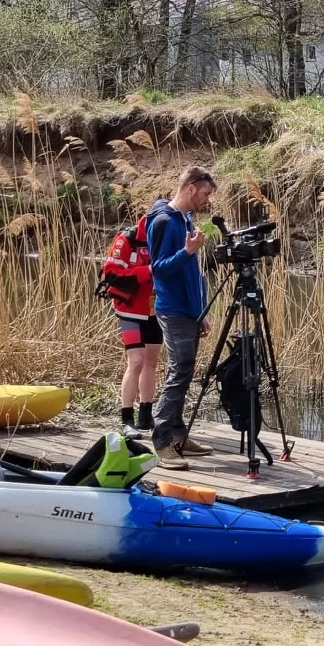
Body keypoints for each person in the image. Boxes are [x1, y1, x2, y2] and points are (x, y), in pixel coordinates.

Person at [147, 166, 218, 470]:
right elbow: (158, 269)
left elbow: (194, 273)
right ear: (190, 188)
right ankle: (162, 443)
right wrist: (187, 252)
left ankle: (178, 435)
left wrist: (201, 311)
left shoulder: (186, 219)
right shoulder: (163, 221)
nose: (207, 200)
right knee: (179, 372)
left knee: (185, 372)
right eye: (205, 193)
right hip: (172, 309)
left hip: (189, 310)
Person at [102, 208, 165, 437]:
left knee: (152, 360)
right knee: (136, 360)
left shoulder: (166, 238)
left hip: (155, 309)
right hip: (129, 309)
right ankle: (126, 418)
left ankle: (146, 415)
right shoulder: (127, 239)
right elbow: (111, 273)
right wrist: (147, 271)